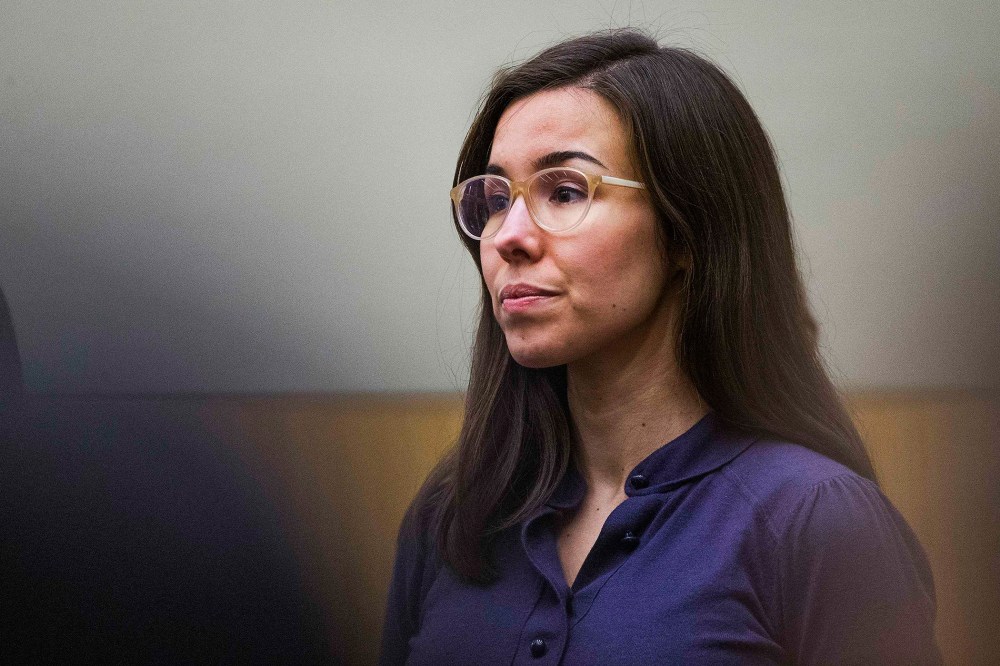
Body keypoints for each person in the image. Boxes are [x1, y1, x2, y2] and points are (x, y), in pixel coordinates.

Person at [381, 29, 940, 665]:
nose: (508, 236)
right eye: (496, 198)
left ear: (685, 233)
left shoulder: (814, 520)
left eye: (564, 191)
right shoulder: (458, 510)